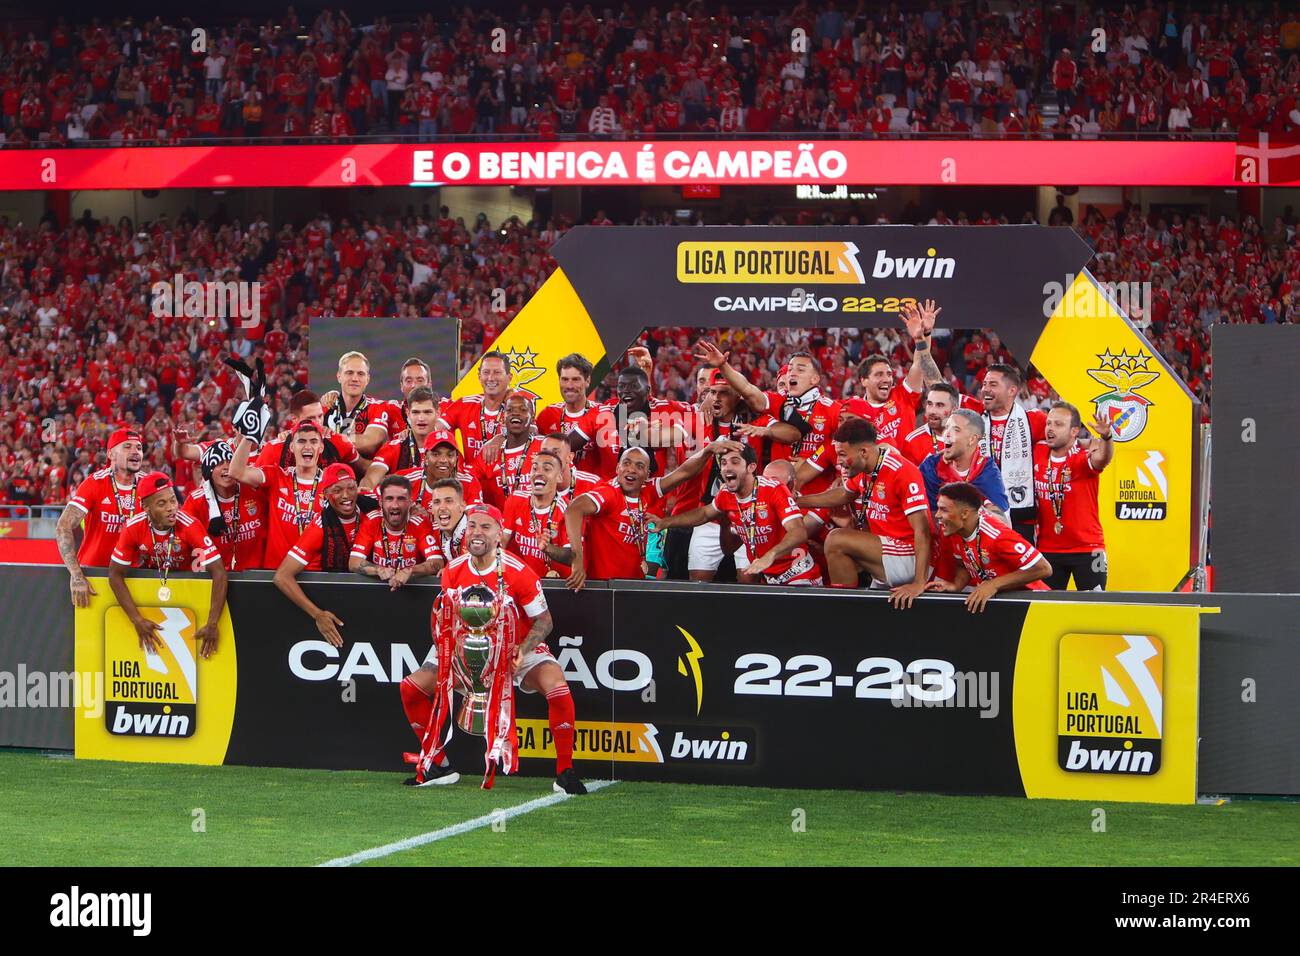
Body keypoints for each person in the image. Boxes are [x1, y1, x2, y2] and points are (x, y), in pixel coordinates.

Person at [404, 503, 587, 796]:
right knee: (411, 688)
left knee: (557, 688)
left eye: (485, 527)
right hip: (465, 648)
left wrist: (522, 651)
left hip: (516, 648)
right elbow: (441, 615)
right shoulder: (453, 569)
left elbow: (544, 621)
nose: (477, 532)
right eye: (472, 525)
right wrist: (447, 650)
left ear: (499, 534)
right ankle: (437, 764)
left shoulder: (518, 571)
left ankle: (565, 772)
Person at [795, 418, 931, 604]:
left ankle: (845, 611)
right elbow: (844, 494)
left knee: (836, 539)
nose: (839, 461)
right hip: (887, 551)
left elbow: (923, 531)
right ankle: (849, 612)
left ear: (864, 452)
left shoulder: (902, 472)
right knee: (839, 551)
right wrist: (798, 501)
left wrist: (919, 582)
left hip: (911, 555)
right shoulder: (862, 468)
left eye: (842, 454)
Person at [564, 441, 730, 588]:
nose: (631, 469)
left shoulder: (648, 490)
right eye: (626, 463)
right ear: (617, 468)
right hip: (604, 586)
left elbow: (684, 473)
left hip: (634, 584)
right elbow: (574, 509)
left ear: (647, 475)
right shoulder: (609, 493)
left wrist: (708, 450)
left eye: (639, 466)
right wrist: (577, 558)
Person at [652, 443, 821, 586]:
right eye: (724, 463)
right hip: (770, 580)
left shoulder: (773, 488)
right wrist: (665, 523)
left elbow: (799, 532)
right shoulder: (726, 495)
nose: (727, 468)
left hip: (800, 577)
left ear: (751, 467)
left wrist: (770, 555)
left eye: (735, 462)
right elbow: (704, 514)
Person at [695, 342, 842, 493]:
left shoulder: (833, 410)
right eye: (790, 369)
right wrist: (723, 366)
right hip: (778, 493)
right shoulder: (778, 400)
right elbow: (747, 390)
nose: (792, 373)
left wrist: (837, 474)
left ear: (815, 379)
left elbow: (847, 447)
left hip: (817, 493)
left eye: (800, 369)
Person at [108, 472, 226, 659]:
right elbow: (114, 574)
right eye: (162, 504)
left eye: (173, 500)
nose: (172, 508)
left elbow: (219, 571)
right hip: (152, 601)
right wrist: (136, 619)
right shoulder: (133, 527)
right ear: (145, 507)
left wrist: (212, 623)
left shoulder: (189, 525)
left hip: (189, 597)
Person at [926, 481, 1052, 612]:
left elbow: (1043, 568)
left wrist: (994, 584)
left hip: (1033, 605)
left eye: (944, 510)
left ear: (964, 513)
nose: (937, 515)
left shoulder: (996, 535)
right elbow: (962, 565)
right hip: (1003, 604)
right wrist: (956, 586)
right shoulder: (954, 530)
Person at [274, 465, 362, 646]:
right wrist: (317, 614)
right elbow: (282, 577)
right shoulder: (319, 527)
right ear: (325, 495)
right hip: (323, 598)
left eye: (351, 488)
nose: (346, 495)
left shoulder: (372, 510)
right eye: (337, 490)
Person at [58, 427, 146, 607]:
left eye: (139, 447)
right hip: (94, 577)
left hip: (137, 576)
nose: (135, 451)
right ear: (111, 454)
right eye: (127, 446)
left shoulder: (149, 485)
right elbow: (63, 526)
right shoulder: (95, 483)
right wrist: (76, 575)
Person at [1032, 402, 1114, 590]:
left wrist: (1106, 437)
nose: (1051, 429)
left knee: (1094, 610)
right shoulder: (1037, 452)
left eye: (1059, 424)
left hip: (1088, 548)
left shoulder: (1082, 458)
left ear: (1074, 431)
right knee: (1045, 610)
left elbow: (1102, 458)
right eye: (1049, 423)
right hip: (1047, 550)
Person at [845, 299, 946, 448]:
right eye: (879, 374)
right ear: (864, 380)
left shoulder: (902, 396)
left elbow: (919, 363)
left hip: (907, 469)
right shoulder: (854, 410)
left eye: (889, 374)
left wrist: (925, 333)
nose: (886, 379)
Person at [229, 420, 328, 568]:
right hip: (275, 571)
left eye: (313, 442)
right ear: (292, 447)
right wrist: (249, 437)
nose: (308, 447)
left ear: (321, 447)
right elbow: (236, 472)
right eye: (301, 441)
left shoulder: (331, 484)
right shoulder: (277, 476)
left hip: (316, 573)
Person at [181, 439, 269, 571]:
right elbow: (184, 539)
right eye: (219, 463)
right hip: (214, 576)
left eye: (229, 461)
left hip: (255, 577)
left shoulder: (253, 490)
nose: (226, 467)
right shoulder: (196, 501)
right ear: (208, 471)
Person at [980, 363, 1047, 537]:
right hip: (981, 512)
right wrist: (922, 346)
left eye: (993, 384)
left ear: (1012, 391)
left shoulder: (1034, 420)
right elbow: (940, 387)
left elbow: (1065, 438)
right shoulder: (973, 418)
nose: (985, 389)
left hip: (1021, 513)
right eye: (984, 384)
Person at [348, 475, 442, 587]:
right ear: (380, 502)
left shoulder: (420, 523)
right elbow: (353, 562)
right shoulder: (372, 520)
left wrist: (410, 571)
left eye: (401, 499)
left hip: (413, 592)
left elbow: (437, 563)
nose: (395, 505)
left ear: (410, 502)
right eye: (389, 498)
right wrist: (378, 570)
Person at [918, 409, 1010, 517]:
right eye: (947, 427)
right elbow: (927, 515)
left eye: (956, 430)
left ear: (972, 439)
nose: (946, 434)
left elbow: (1001, 521)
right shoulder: (932, 466)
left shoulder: (986, 471)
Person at [503, 449, 571, 578]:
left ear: (559, 477)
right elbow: (502, 542)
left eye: (547, 469)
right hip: (526, 582)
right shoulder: (515, 500)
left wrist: (548, 548)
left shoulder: (568, 510)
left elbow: (572, 556)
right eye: (534, 468)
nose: (538, 473)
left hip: (560, 586)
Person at [439, 349, 513, 466]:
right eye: (486, 372)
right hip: (472, 480)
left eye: (497, 372)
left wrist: (502, 437)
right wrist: (459, 463)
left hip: (505, 480)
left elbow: (532, 431)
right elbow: (437, 430)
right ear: (479, 376)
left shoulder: (518, 406)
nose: (491, 378)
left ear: (509, 377)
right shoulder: (464, 404)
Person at [359, 386, 441, 490]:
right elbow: (370, 478)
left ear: (438, 414)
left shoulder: (448, 447)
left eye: (427, 412)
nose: (421, 418)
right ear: (408, 414)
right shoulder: (394, 446)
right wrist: (366, 488)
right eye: (416, 412)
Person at [472, 391, 539, 509]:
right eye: (510, 410)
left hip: (537, 522)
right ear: (503, 416)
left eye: (523, 410)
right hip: (501, 524)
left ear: (532, 417)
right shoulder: (489, 452)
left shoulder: (544, 447)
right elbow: (467, 483)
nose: (516, 413)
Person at [323, 351, 396, 457]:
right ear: (339, 376)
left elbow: (369, 443)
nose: (355, 379)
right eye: (349, 373)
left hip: (361, 473)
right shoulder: (326, 405)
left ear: (368, 379)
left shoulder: (378, 407)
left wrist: (329, 437)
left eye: (360, 374)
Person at [536, 353, 600, 471]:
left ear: (588, 381)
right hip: (558, 487)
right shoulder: (547, 414)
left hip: (591, 488)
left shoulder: (601, 414)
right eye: (564, 379)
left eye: (575, 379)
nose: (569, 385)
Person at [899, 382, 960, 465]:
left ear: (954, 410)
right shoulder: (913, 441)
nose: (932, 411)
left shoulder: (967, 437)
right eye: (929, 404)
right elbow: (907, 477)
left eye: (940, 405)